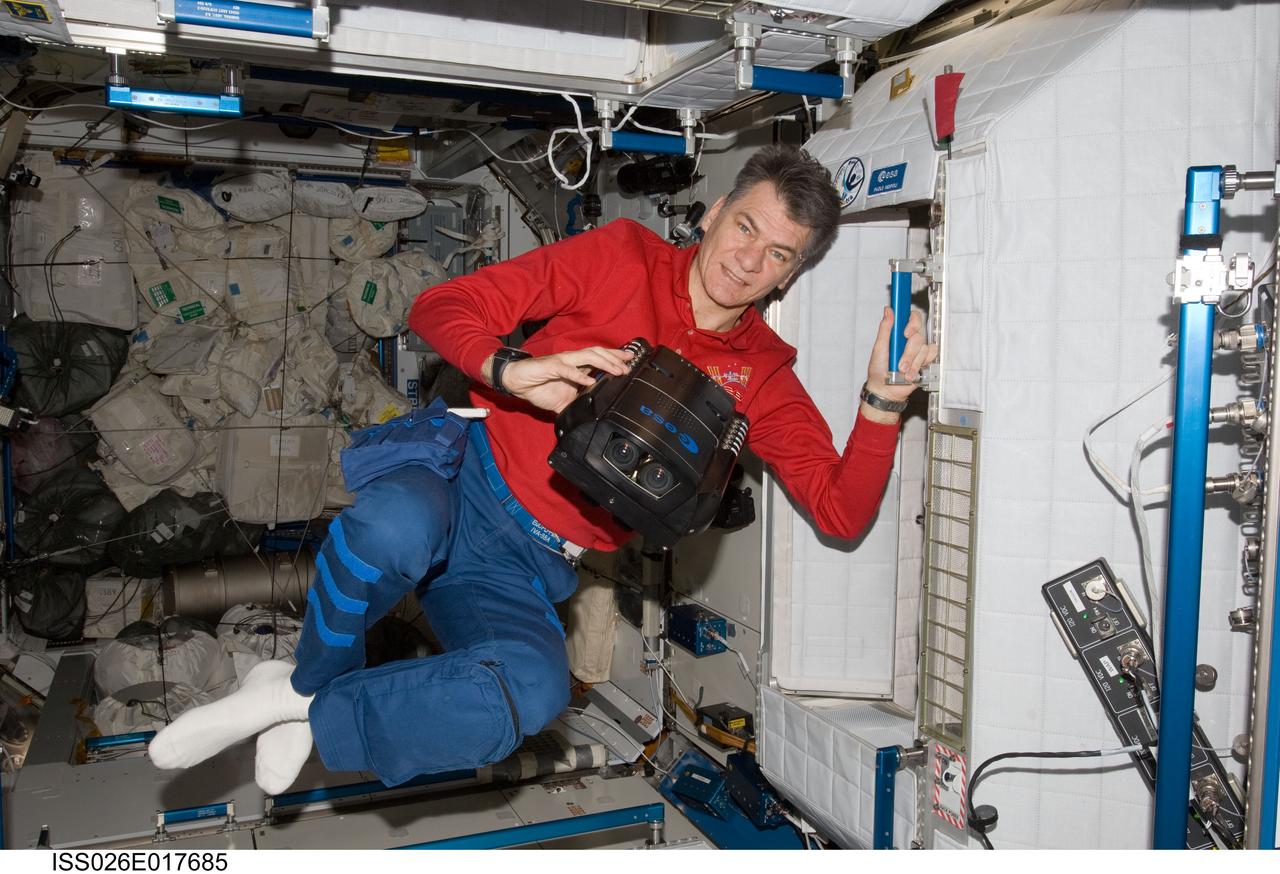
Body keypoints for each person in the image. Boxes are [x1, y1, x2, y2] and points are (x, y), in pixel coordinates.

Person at [148, 144, 938, 793]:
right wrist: (510, 369)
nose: (747, 261)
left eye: (777, 254)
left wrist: (881, 400)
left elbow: (840, 510)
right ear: (712, 215)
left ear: (790, 274)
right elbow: (439, 307)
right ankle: (302, 677)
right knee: (393, 529)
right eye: (745, 227)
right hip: (462, 483)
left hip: (528, 563)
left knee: (533, 694)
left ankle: (308, 716)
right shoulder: (620, 258)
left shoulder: (760, 374)